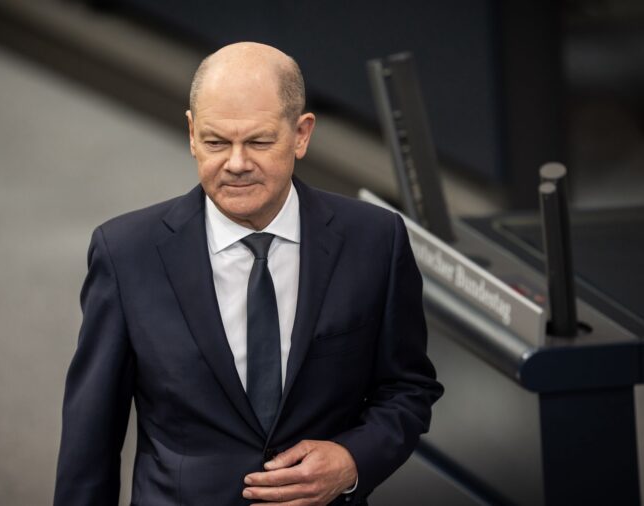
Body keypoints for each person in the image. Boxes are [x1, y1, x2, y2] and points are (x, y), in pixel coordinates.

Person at [54, 41, 443, 506]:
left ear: (301, 134)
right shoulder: (126, 254)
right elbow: (91, 437)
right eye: (217, 142)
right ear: (192, 134)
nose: (236, 164)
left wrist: (352, 459)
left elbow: (407, 387)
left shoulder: (375, 240)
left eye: (258, 141)